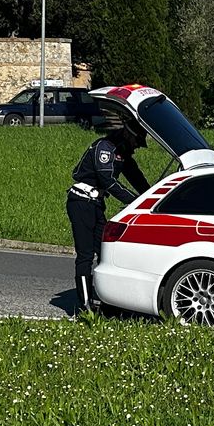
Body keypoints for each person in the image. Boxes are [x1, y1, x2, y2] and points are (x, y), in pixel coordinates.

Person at [67, 116, 149, 315]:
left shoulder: (122, 153)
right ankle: (85, 307)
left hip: (96, 203)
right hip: (81, 202)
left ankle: (108, 302)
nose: (137, 146)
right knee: (86, 254)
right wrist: (136, 203)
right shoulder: (105, 148)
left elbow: (137, 179)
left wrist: (152, 197)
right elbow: (109, 182)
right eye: (137, 141)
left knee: (106, 253)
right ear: (128, 134)